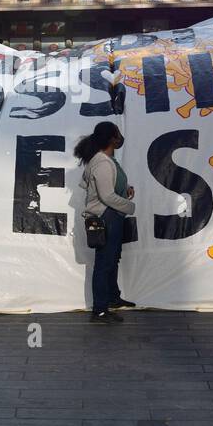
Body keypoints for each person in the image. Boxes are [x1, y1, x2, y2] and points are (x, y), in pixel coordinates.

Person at [75, 121, 137, 323]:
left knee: (113, 258)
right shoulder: (102, 162)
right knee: (104, 263)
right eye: (117, 134)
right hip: (106, 217)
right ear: (112, 138)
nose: (120, 137)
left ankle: (112, 298)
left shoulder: (106, 160)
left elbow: (90, 184)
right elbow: (107, 196)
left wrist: (124, 189)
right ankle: (100, 310)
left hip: (112, 216)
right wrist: (129, 206)